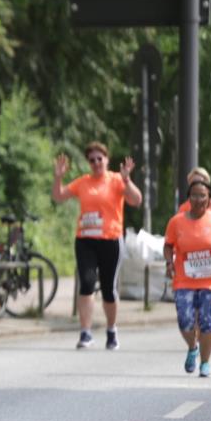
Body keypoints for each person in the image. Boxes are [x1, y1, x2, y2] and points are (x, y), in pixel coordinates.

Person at [52, 142, 142, 350]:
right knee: (86, 283)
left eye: (99, 159)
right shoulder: (83, 182)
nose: (96, 163)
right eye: (91, 160)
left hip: (111, 240)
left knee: (109, 288)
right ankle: (85, 333)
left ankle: (111, 330)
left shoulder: (117, 180)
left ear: (107, 160)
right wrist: (58, 177)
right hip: (85, 240)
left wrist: (127, 179)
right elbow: (58, 197)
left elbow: (136, 200)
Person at [163, 179, 211, 377]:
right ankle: (192, 347)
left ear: (209, 199)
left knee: (206, 321)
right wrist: (169, 263)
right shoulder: (176, 222)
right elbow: (168, 245)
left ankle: (205, 363)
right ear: (189, 198)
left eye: (202, 195)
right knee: (185, 321)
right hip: (184, 281)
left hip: (210, 281)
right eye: (194, 195)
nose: (198, 199)